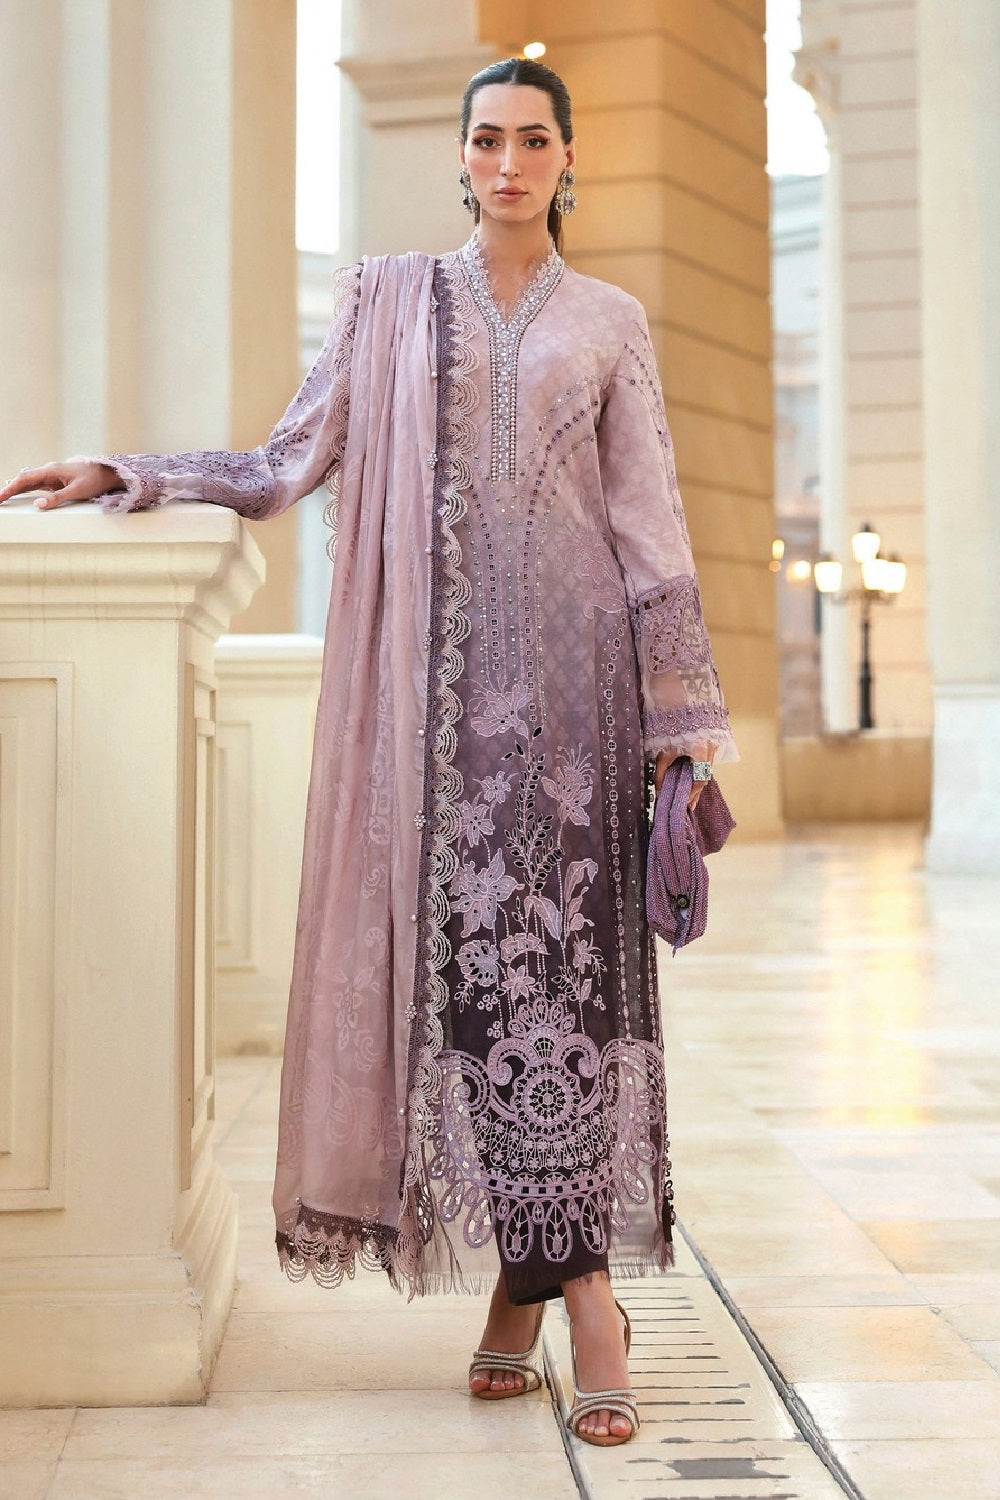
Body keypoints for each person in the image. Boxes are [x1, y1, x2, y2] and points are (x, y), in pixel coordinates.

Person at [0, 56, 736, 1446]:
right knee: (478, 999)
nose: (508, 163)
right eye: (487, 139)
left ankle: (573, 1294)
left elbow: (649, 528)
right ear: (459, 157)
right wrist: (131, 472)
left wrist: (681, 728)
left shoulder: (610, 323)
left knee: (576, 1001)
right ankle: (548, 1289)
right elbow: (288, 458)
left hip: (581, 703)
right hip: (440, 720)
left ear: (566, 160)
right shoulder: (392, 303)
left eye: (533, 141)